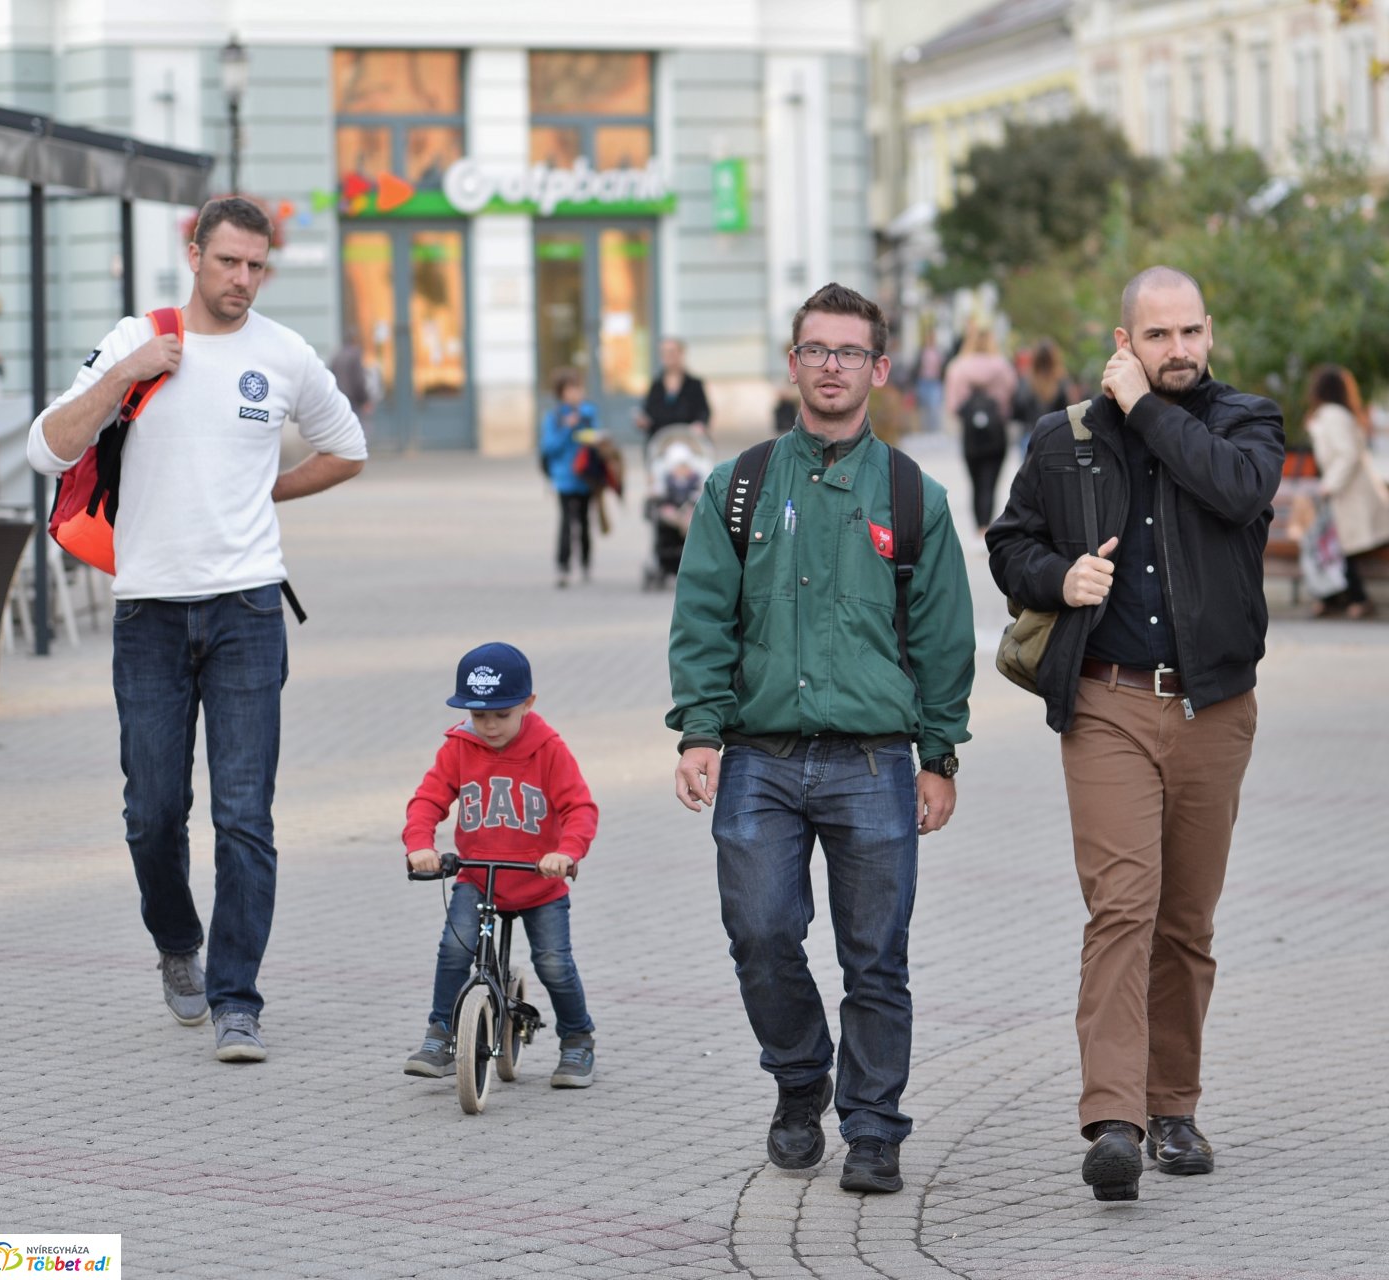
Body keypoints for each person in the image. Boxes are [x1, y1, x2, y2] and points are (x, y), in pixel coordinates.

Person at [25, 196, 367, 1062]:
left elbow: (347, 446)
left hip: (250, 608)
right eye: (228, 263)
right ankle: (178, 944)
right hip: (147, 612)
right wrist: (125, 372)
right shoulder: (139, 338)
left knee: (246, 816)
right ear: (194, 253)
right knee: (152, 812)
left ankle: (237, 999)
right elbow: (45, 449)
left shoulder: (284, 354)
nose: (242, 281)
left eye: (256, 266)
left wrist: (271, 493)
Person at [667, 282, 974, 1197]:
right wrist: (700, 730)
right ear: (793, 361)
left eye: (850, 352)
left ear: (879, 368)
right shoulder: (741, 485)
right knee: (760, 932)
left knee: (876, 954)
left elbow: (944, 637)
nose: (832, 366)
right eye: (816, 350)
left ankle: (874, 1127)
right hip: (759, 757)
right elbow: (703, 617)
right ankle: (802, 1082)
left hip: (875, 762)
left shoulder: (915, 496)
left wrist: (940, 754)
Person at [986, 265, 1285, 1202]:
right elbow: (1007, 542)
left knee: (1186, 923)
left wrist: (1148, 411)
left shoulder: (1247, 423)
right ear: (1126, 343)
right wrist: (1054, 578)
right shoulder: (1064, 440)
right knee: (1123, 906)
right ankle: (1113, 1119)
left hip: (1213, 707)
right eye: (1158, 337)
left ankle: (1174, 1108)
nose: (1180, 350)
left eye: (1192, 332)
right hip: (1109, 700)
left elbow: (1235, 493)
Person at [402, 642, 599, 1088]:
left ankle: (577, 1039)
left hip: (538, 883)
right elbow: (428, 799)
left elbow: (580, 808)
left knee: (553, 963)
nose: (489, 726)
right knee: (455, 949)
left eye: (501, 714)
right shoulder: (458, 746)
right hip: (478, 876)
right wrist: (420, 844)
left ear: (528, 704)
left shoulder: (548, 749)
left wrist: (566, 853)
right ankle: (441, 1033)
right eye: (478, 715)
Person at [1304, 364, 1389, 619]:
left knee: (1336, 547)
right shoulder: (1337, 413)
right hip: (1349, 494)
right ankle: (1334, 598)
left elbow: (1347, 454)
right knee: (1333, 546)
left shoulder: (1332, 415)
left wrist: (1328, 486)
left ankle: (1353, 599)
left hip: (1349, 494)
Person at [943, 328, 1018, 536]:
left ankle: (979, 525)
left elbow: (952, 405)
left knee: (975, 481)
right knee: (990, 481)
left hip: (970, 434)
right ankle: (987, 524)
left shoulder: (958, 367)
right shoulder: (1002, 366)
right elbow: (1013, 394)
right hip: (996, 433)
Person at [540, 368, 600, 588]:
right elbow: (549, 447)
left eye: (579, 388)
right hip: (565, 477)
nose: (576, 393)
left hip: (586, 477)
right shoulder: (554, 417)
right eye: (571, 389)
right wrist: (567, 429)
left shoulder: (588, 413)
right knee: (566, 522)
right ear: (562, 392)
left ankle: (585, 563)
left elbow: (596, 439)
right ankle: (563, 566)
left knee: (585, 521)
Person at [636, 336, 710, 442]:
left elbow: (704, 411)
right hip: (661, 442)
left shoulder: (694, 384)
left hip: (688, 440)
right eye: (664, 353)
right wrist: (643, 421)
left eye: (671, 352)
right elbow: (648, 411)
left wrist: (700, 424)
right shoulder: (656, 385)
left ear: (681, 353)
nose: (668, 356)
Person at [1013, 338, 1075, 456]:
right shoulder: (1062, 382)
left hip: (1030, 436)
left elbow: (1018, 410)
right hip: (1057, 438)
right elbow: (1070, 411)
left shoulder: (1026, 382)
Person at [328, 328, 372, 427]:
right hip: (353, 401)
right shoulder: (355, 354)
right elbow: (358, 380)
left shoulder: (337, 355)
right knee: (357, 430)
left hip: (338, 399)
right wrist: (364, 400)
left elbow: (330, 376)